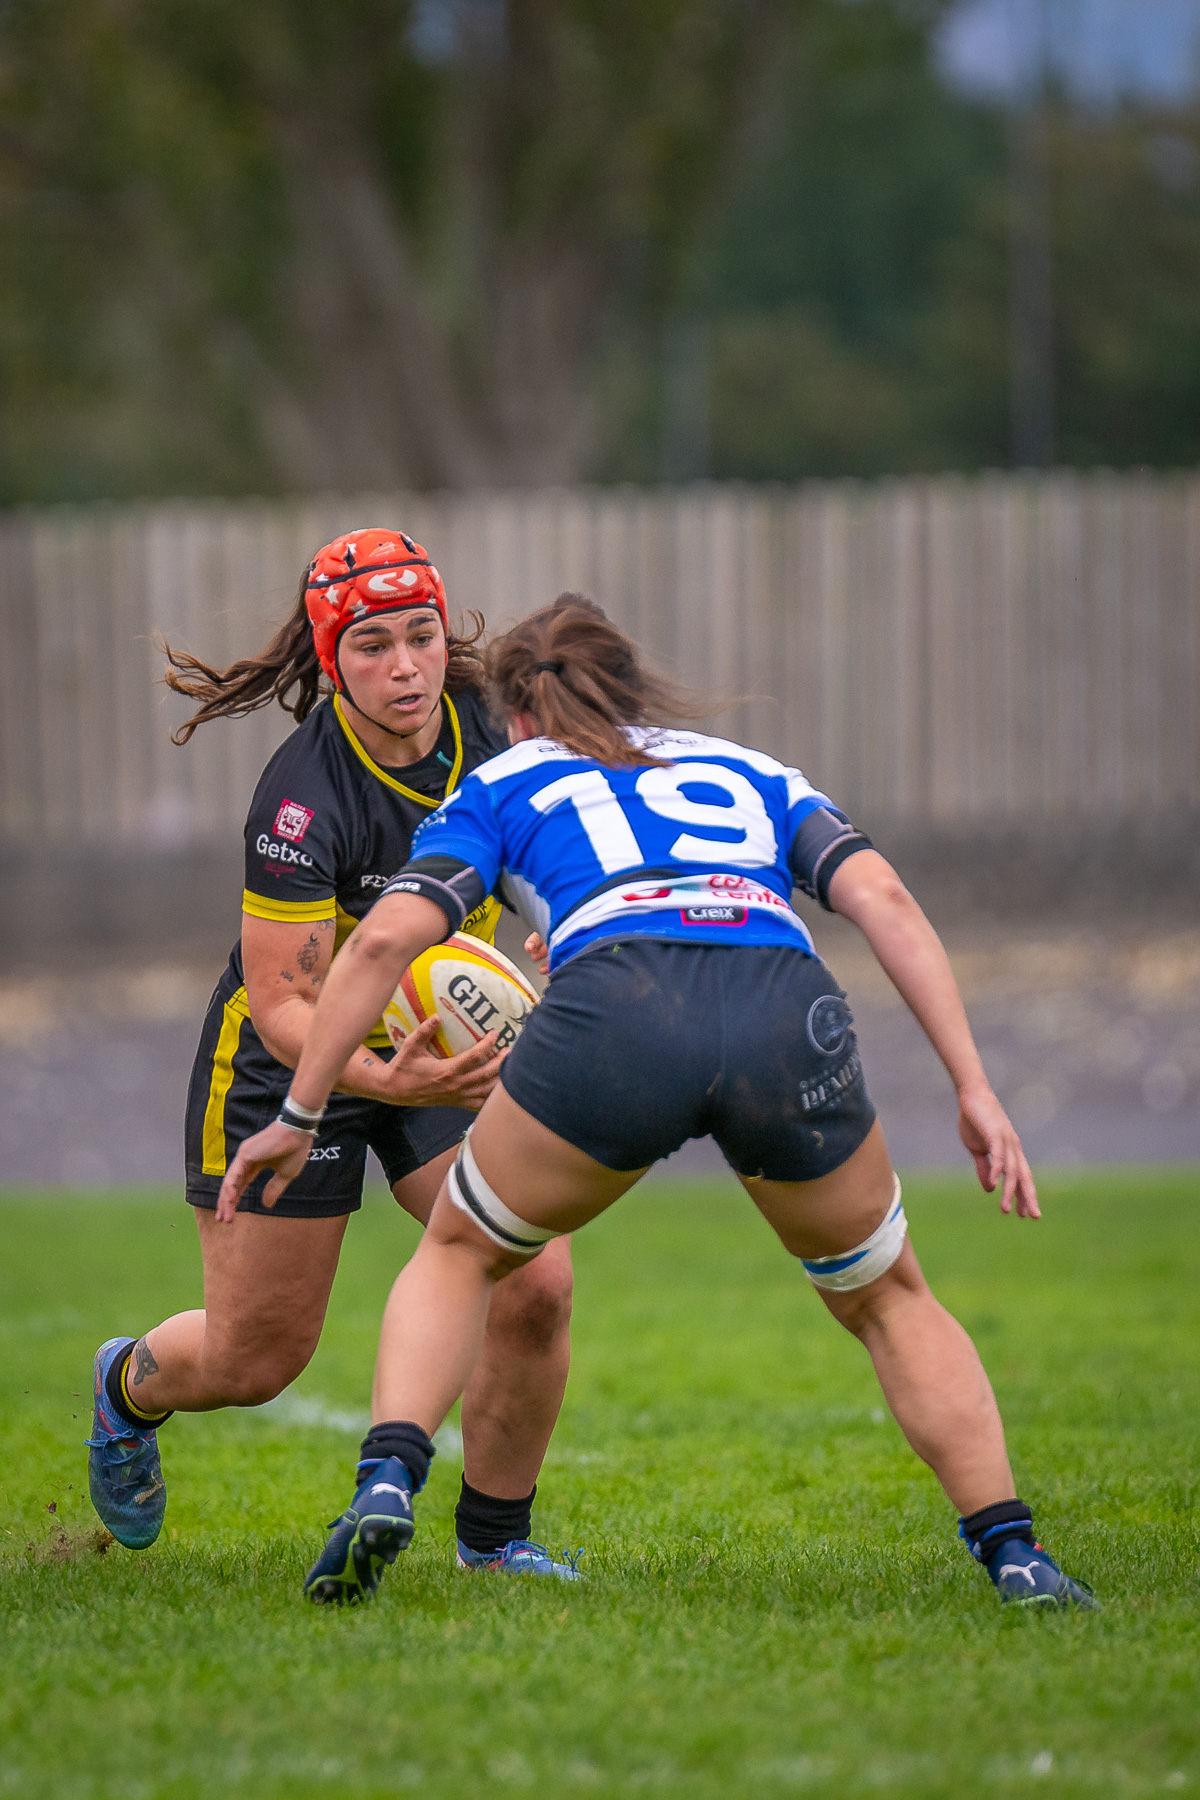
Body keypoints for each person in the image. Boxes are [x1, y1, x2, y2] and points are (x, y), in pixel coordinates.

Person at [220, 594, 1097, 1612]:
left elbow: (379, 944)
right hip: (782, 1011)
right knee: (889, 1297)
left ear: (513, 714)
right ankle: (1014, 1553)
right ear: (635, 686)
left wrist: (301, 1114)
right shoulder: (747, 770)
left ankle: (385, 1482)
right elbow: (884, 902)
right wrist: (975, 1089)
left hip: (618, 1018)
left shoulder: (505, 776)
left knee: (464, 1251)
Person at [86, 531, 578, 1581]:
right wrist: (371, 1079)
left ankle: (495, 1545)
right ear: (329, 658)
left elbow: (563, 854)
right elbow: (283, 1005)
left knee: (536, 1279)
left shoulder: (496, 736)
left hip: (437, 1047)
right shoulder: (303, 799)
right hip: (286, 1064)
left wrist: (554, 923)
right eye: (370, 647)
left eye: (421, 637)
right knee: (254, 1359)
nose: (403, 667)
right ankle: (126, 1388)